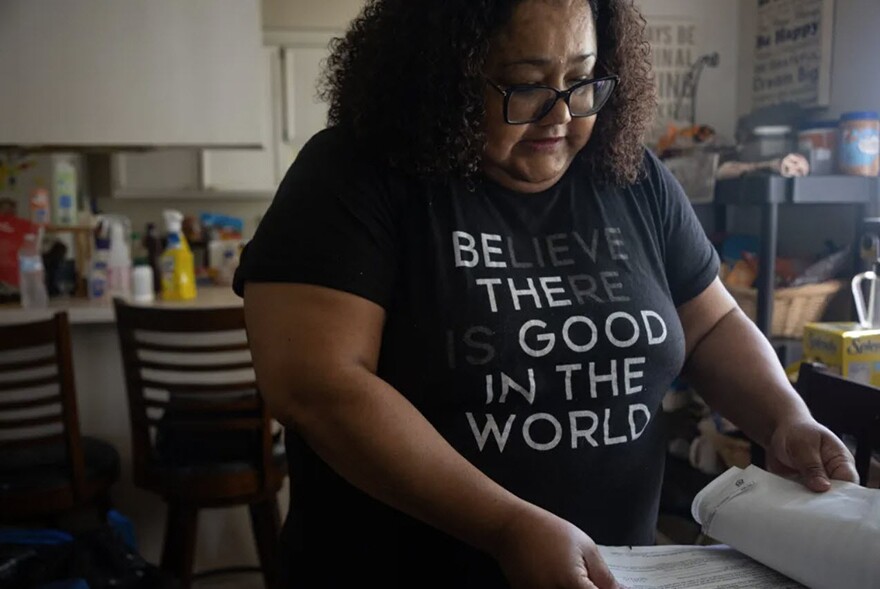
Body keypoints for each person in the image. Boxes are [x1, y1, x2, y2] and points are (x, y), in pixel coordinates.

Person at [234, 0, 859, 587]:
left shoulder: (630, 174)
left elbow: (713, 325)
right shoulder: (352, 175)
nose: (561, 113)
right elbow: (318, 385)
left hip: (613, 571)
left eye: (582, 80)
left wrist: (786, 418)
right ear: (442, 76)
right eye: (526, 83)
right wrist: (506, 527)